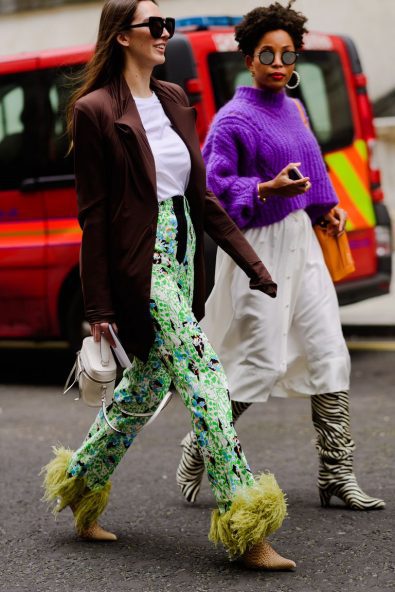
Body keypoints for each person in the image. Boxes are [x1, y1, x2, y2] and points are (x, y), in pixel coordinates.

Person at [42, 0, 297, 570]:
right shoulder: (95, 110)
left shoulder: (176, 99)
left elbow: (201, 197)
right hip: (143, 265)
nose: (164, 34)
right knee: (206, 379)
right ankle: (247, 524)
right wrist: (99, 304)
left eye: (168, 25)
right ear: (121, 36)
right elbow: (94, 217)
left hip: (184, 259)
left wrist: (252, 263)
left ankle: (80, 485)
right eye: (153, 26)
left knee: (143, 391)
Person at [176, 1, 385, 513]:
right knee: (261, 361)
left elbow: (313, 168)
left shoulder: (295, 109)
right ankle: (201, 444)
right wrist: (264, 189)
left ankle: (336, 475)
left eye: (287, 54)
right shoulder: (232, 120)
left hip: (303, 244)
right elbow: (214, 191)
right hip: (258, 251)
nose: (277, 63)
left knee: (329, 351)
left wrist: (325, 209)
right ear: (248, 58)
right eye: (266, 53)